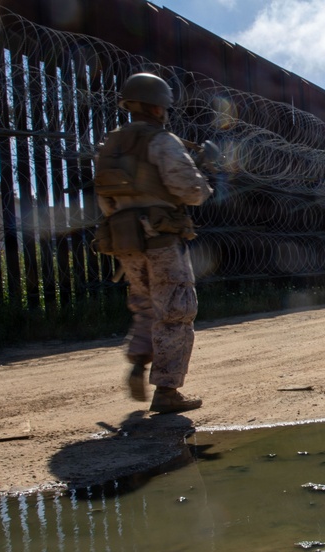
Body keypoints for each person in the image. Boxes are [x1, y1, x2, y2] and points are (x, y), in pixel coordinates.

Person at [94, 72, 213, 413]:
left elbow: (105, 196)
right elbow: (190, 190)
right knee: (176, 309)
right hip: (160, 238)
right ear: (160, 108)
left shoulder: (110, 145)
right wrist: (205, 185)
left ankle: (138, 363)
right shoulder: (162, 141)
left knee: (146, 304)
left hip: (124, 237)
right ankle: (166, 390)